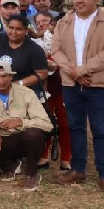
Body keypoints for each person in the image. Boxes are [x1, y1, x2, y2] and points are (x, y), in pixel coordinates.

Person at [51, 0, 104, 190]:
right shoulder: (64, 21)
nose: (79, 1)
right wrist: (73, 72)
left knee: (100, 129)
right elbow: (56, 50)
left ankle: (103, 173)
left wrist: (82, 70)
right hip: (71, 84)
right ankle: (78, 169)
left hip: (98, 84)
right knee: (75, 126)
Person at [0, 60, 53, 191]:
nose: (1, 81)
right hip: (5, 139)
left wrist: (21, 122)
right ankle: (10, 165)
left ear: (11, 76)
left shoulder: (27, 93)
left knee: (33, 134)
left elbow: (47, 124)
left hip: (25, 138)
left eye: (4, 76)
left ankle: (31, 174)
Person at [32, 12, 71, 171]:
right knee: (46, 122)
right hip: (44, 90)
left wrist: (56, 66)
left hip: (63, 88)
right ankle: (43, 156)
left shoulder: (67, 41)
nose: (42, 24)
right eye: (38, 22)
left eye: (45, 21)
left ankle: (66, 158)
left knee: (65, 124)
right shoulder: (35, 43)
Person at [0, 14, 48, 102]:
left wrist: (19, 83)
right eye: (11, 28)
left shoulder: (34, 49)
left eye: (18, 29)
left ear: (26, 30)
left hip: (22, 93)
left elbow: (42, 73)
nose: (14, 32)